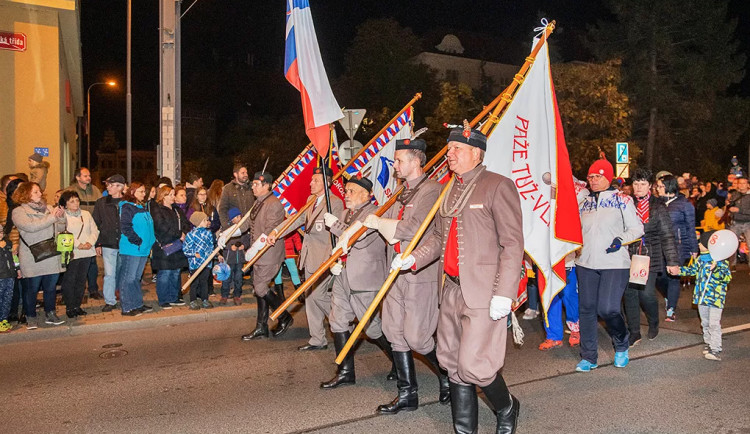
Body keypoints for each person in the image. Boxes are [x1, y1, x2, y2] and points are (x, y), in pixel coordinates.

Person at [398, 125, 524, 433]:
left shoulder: (497, 185)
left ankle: (507, 406)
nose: (449, 154)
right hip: (451, 288)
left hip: (485, 291)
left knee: (474, 366)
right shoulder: (447, 189)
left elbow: (513, 244)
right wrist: (414, 258)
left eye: (457, 149)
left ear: (476, 153)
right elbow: (439, 238)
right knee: (452, 364)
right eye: (449, 148)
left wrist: (504, 293)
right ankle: (465, 429)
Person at [362, 135, 450, 413]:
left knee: (418, 337)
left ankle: (448, 377)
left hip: (418, 272)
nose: (395, 165)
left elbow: (413, 229)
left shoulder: (432, 190)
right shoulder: (402, 193)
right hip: (394, 271)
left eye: (400, 160)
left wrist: (380, 222)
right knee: (392, 331)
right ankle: (407, 394)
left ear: (416, 161)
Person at [320, 175, 395, 389]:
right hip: (343, 275)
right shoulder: (346, 213)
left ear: (366, 194)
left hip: (365, 278)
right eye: (346, 190)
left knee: (371, 328)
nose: (347, 195)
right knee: (337, 321)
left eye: (351, 191)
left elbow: (356, 237)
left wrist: (334, 225)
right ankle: (345, 372)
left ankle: (399, 363)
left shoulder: (375, 213)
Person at [576, 159, 644, 373]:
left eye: (598, 177)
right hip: (585, 262)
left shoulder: (622, 200)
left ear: (608, 178)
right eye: (591, 177)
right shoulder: (583, 201)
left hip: (614, 262)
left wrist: (620, 239)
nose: (593, 180)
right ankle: (588, 356)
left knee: (608, 308)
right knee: (586, 309)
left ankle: (622, 344)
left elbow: (637, 228)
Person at [267, 166, 344, 352]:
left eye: (315, 180)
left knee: (318, 295)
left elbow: (338, 231)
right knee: (310, 298)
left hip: (324, 257)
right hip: (309, 257)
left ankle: (343, 325)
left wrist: (331, 256)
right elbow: (297, 219)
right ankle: (317, 339)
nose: (311, 183)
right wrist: (277, 232)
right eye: (311, 180)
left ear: (326, 182)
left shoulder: (335, 202)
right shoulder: (311, 200)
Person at [623, 168, 680, 346]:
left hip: (650, 255)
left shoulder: (657, 205)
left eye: (643, 184)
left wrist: (672, 261)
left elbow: (667, 235)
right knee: (630, 294)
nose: (639, 187)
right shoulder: (626, 203)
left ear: (650, 186)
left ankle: (653, 321)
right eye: (636, 183)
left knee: (646, 294)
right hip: (629, 254)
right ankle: (634, 332)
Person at [237, 171, 294, 340]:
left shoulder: (274, 203)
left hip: (269, 253)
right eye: (253, 184)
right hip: (259, 254)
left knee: (260, 287)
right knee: (260, 287)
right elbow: (247, 224)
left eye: (256, 184)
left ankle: (284, 316)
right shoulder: (258, 202)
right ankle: (261, 327)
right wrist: (228, 234)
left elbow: (271, 229)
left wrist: (254, 248)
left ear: (267, 185)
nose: (253, 187)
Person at [12, 181, 67, 329]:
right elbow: (30, 227)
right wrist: (52, 218)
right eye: (35, 192)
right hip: (32, 256)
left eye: (39, 191)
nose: (40, 194)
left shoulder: (49, 208)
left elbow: (60, 227)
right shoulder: (18, 212)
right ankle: (31, 316)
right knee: (32, 288)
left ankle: (50, 313)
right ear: (25, 194)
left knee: (50, 287)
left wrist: (61, 217)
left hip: (51, 253)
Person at [672, 231, 732, 361]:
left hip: (715, 299)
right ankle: (709, 343)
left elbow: (727, 278)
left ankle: (716, 349)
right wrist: (679, 271)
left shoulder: (721, 261)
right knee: (705, 322)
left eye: (701, 242)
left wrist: (716, 268)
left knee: (714, 324)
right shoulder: (701, 259)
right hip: (701, 298)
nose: (698, 244)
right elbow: (692, 270)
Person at [656, 174, 698, 321]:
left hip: (678, 246)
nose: (658, 189)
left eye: (660, 186)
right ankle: (668, 296)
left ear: (669, 186)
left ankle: (671, 309)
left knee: (674, 277)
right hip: (659, 246)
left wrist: (693, 249)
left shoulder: (685, 204)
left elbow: (690, 228)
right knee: (659, 277)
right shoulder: (657, 203)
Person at [59, 190, 100, 318]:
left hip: (87, 252)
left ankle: (77, 305)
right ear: (65, 204)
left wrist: (89, 242)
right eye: (71, 201)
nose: (75, 203)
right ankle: (70, 307)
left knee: (81, 281)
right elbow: (62, 233)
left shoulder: (86, 214)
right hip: (72, 252)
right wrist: (78, 244)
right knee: (70, 280)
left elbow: (95, 230)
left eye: (77, 200)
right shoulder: (63, 216)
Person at [118, 182, 156, 316]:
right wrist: (137, 240)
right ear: (132, 192)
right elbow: (126, 227)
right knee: (128, 278)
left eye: (144, 191)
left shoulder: (141, 207)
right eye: (141, 191)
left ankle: (137, 304)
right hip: (132, 249)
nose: (144, 194)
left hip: (143, 249)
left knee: (136, 278)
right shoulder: (127, 207)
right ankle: (127, 307)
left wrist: (149, 243)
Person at [67, 167, 103, 300]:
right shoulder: (71, 190)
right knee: (76, 265)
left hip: (91, 228)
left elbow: (101, 207)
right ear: (78, 177)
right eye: (85, 176)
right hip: (75, 230)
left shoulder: (95, 190)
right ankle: (76, 291)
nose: (89, 178)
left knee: (92, 263)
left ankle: (93, 289)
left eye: (89, 175)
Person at [150, 186, 189, 308]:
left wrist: (184, 233)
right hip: (164, 246)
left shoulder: (177, 210)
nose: (173, 197)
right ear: (163, 196)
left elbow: (186, 224)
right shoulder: (157, 210)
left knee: (176, 272)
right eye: (171, 194)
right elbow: (161, 227)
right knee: (165, 272)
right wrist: (179, 234)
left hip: (177, 245)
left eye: (173, 194)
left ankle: (174, 297)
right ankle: (163, 299)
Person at [92, 174, 126, 311]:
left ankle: (124, 297)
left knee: (124, 273)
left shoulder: (128, 202)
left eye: (111, 185)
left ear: (120, 187)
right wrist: (98, 243)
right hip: (108, 243)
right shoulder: (101, 203)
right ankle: (110, 301)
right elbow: (96, 224)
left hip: (125, 244)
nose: (108, 187)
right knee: (109, 274)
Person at [538, 253, 580, 350]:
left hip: (567, 262)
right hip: (546, 263)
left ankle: (576, 329)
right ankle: (553, 336)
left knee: (569, 296)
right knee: (550, 298)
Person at [183, 211, 215, 309]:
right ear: (199, 222)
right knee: (194, 282)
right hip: (195, 263)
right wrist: (193, 254)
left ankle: (204, 298)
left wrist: (212, 254)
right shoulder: (191, 235)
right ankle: (193, 300)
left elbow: (211, 246)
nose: (207, 222)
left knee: (204, 281)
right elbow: (185, 249)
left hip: (206, 263)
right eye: (205, 220)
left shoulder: (208, 233)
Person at [218, 207, 248, 305]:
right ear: (231, 219)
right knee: (226, 278)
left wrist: (244, 245)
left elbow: (247, 240)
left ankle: (237, 295)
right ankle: (224, 295)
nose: (239, 218)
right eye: (236, 217)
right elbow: (221, 241)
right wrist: (230, 247)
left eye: (240, 216)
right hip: (229, 258)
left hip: (239, 259)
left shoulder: (243, 228)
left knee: (238, 278)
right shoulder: (226, 229)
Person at [218, 163, 254, 233]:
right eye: (243, 173)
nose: (246, 175)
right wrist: (227, 227)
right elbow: (222, 209)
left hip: (250, 230)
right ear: (235, 174)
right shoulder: (228, 189)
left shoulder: (252, 188)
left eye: (246, 172)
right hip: (234, 229)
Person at [0, 223, 17, 332]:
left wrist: (17, 269)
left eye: (1, 231)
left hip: (10, 275)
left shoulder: (8, 243)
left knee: (7, 298)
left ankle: (4, 319)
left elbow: (14, 258)